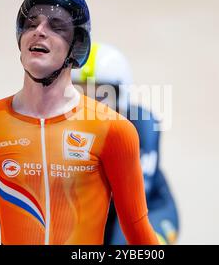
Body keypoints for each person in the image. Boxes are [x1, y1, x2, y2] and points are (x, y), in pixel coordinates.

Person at [0, 0, 159, 245]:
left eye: (56, 26)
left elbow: (139, 234)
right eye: (31, 23)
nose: (39, 31)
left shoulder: (113, 130)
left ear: (76, 45)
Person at [72, 42, 179, 245]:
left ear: (122, 97)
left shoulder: (142, 127)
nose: (91, 107)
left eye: (102, 96)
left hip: (152, 212)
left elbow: (130, 210)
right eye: (81, 95)